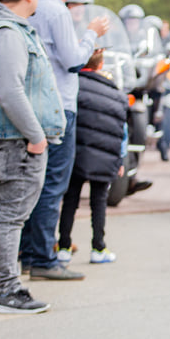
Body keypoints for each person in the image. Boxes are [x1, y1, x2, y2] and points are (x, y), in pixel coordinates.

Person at [0, 0, 64, 312]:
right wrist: (36, 136)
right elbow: (10, 91)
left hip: (9, 137)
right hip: (17, 140)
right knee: (10, 217)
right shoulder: (8, 32)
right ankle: (7, 290)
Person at [19, 0, 109, 281]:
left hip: (36, 102)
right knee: (53, 184)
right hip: (58, 106)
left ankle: (29, 253)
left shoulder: (35, 5)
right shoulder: (57, 10)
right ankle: (44, 259)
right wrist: (91, 34)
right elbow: (72, 60)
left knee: (35, 182)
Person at [57, 49, 128, 265]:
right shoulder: (116, 94)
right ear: (101, 64)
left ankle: (64, 247)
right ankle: (99, 247)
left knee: (70, 200)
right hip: (105, 156)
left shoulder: (73, 86)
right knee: (99, 202)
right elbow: (122, 130)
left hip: (76, 154)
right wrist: (120, 159)